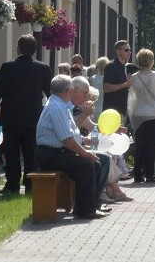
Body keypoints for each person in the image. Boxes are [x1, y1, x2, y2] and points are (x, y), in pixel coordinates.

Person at [0, 34, 53, 194]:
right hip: (33, 118)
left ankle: (12, 185)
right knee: (30, 152)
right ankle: (30, 185)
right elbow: (50, 94)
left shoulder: (8, 66)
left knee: (12, 152)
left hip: (11, 118)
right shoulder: (42, 68)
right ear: (34, 50)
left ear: (18, 48)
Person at [35, 75, 108, 220]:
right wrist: (85, 154)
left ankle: (87, 206)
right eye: (72, 89)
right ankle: (85, 210)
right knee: (87, 165)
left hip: (57, 152)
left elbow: (71, 134)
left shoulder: (62, 105)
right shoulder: (56, 108)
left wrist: (84, 142)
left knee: (95, 164)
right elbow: (67, 139)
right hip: (49, 155)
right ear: (67, 91)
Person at [127, 48, 155, 183]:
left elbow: (132, 97)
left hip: (139, 114)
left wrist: (132, 114)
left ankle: (137, 174)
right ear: (151, 61)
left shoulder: (134, 77)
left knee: (139, 145)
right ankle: (150, 174)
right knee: (151, 145)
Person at [102, 40, 133, 118]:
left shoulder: (125, 67)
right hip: (112, 111)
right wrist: (125, 84)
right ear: (118, 52)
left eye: (130, 50)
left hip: (122, 110)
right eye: (126, 50)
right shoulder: (111, 66)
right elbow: (106, 88)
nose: (129, 52)